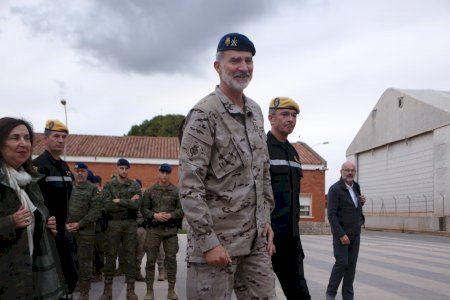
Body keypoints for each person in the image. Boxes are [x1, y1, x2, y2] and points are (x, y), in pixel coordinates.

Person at [179, 33, 276, 299]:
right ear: (218, 66)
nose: (243, 67)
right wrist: (208, 243)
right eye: (235, 60)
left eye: (248, 61)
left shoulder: (255, 112)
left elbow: (262, 172)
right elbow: (189, 187)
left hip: (255, 245)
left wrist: (265, 220)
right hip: (217, 247)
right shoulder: (203, 114)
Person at [0, 117, 65, 299]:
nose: (23, 143)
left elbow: (32, 220)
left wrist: (43, 222)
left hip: (29, 276)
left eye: (27, 138)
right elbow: (14, 222)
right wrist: (10, 222)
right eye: (15, 138)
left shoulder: (29, 181)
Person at [267, 97, 311, 299]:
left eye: (294, 116)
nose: (291, 119)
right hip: (267, 239)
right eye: (285, 114)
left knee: (300, 294)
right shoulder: (262, 148)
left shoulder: (294, 152)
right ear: (271, 118)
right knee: (262, 294)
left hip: (291, 239)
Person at [33, 119, 78, 296]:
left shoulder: (65, 168)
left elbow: (67, 200)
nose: (60, 140)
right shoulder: (38, 166)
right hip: (46, 232)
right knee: (51, 279)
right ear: (45, 139)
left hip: (64, 231)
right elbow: (32, 201)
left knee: (71, 276)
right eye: (56, 136)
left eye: (63, 137)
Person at [100, 158, 141, 300]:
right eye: (121, 168)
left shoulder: (134, 185)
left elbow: (137, 205)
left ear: (129, 169)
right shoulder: (109, 185)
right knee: (110, 256)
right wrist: (129, 202)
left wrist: (119, 201)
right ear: (117, 168)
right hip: (114, 224)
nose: (124, 171)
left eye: (126, 168)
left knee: (130, 255)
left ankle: (131, 290)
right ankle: (107, 291)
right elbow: (106, 205)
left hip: (130, 224)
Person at [142, 163, 183, 300]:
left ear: (170, 174)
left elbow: (181, 210)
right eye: (162, 172)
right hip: (154, 230)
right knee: (150, 260)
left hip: (170, 231)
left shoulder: (176, 191)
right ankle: (149, 291)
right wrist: (155, 215)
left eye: (167, 173)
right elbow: (144, 210)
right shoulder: (149, 191)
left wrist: (171, 215)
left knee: (171, 260)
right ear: (158, 173)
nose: (164, 175)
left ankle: (171, 290)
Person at [326, 161, 366, 300]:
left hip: (355, 234)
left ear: (355, 172)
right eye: (346, 170)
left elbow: (354, 206)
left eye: (352, 170)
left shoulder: (356, 187)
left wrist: (361, 202)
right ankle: (330, 294)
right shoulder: (335, 189)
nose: (349, 173)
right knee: (342, 263)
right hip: (341, 235)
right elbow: (331, 215)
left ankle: (348, 296)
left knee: (351, 267)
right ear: (341, 171)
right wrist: (341, 234)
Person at [66, 162, 102, 299]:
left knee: (84, 262)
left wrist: (79, 224)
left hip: (85, 232)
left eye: (83, 171)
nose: (80, 173)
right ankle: (70, 287)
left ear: (87, 173)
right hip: (68, 229)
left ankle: (84, 292)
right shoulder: (69, 187)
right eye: (77, 171)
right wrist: (66, 224)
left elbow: (95, 211)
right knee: (69, 259)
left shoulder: (93, 189)